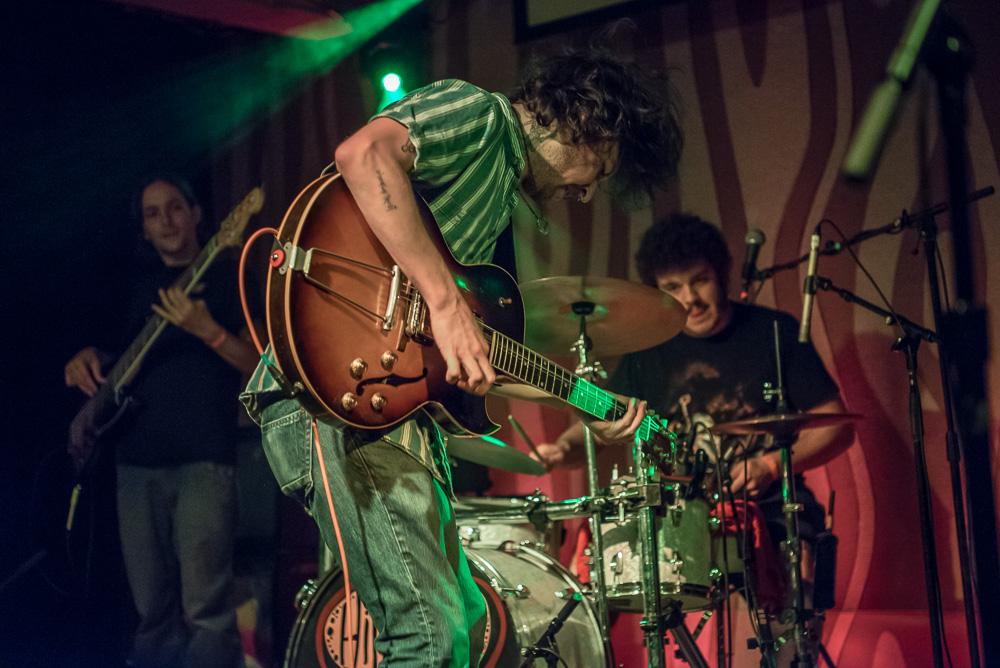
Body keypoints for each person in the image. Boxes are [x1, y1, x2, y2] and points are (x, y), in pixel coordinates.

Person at [240, 46, 683, 666]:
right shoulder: (478, 114)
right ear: (582, 120)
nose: (587, 195)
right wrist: (445, 303)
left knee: (467, 627)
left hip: (391, 416)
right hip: (338, 398)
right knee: (427, 635)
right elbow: (363, 154)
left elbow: (484, 358)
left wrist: (589, 402)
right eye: (600, 170)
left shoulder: (494, 198)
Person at [534, 213, 855, 664]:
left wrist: (767, 466)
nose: (690, 298)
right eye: (673, 287)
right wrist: (563, 448)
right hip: (674, 508)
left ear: (720, 274)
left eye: (699, 280)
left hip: (765, 504)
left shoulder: (775, 333)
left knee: (795, 593)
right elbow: (606, 425)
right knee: (592, 573)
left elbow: (837, 425)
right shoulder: (646, 349)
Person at [64, 175, 259, 668]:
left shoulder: (230, 275)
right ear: (144, 230)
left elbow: (260, 365)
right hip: (134, 465)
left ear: (197, 215)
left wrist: (209, 331)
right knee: (151, 615)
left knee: (208, 612)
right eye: (153, 214)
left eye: (174, 207)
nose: (166, 221)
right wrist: (88, 359)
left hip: (204, 463)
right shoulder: (135, 287)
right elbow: (116, 361)